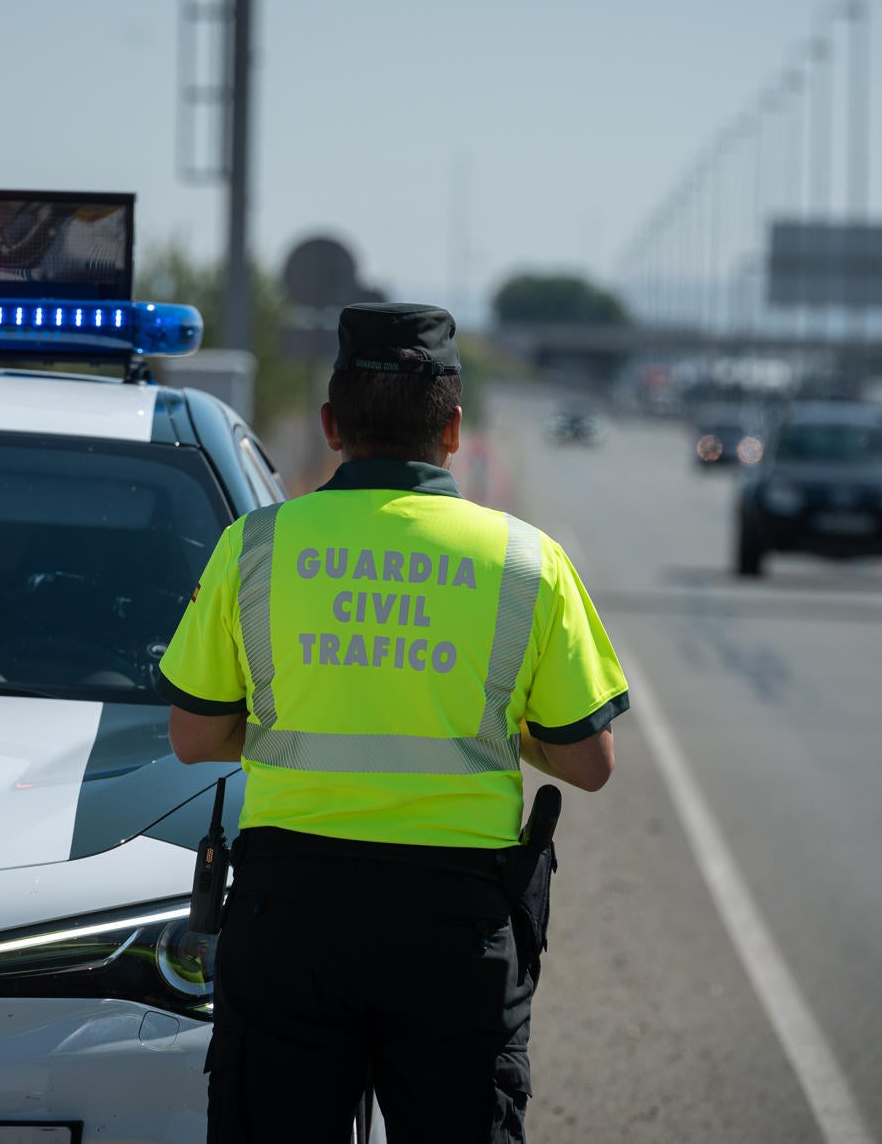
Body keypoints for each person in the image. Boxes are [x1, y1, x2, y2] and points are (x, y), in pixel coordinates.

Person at [154, 302, 627, 1143]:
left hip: (289, 915)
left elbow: (192, 737)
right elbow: (589, 762)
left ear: (331, 425)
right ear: (453, 429)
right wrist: (497, 723)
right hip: (457, 927)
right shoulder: (528, 560)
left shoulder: (255, 545)